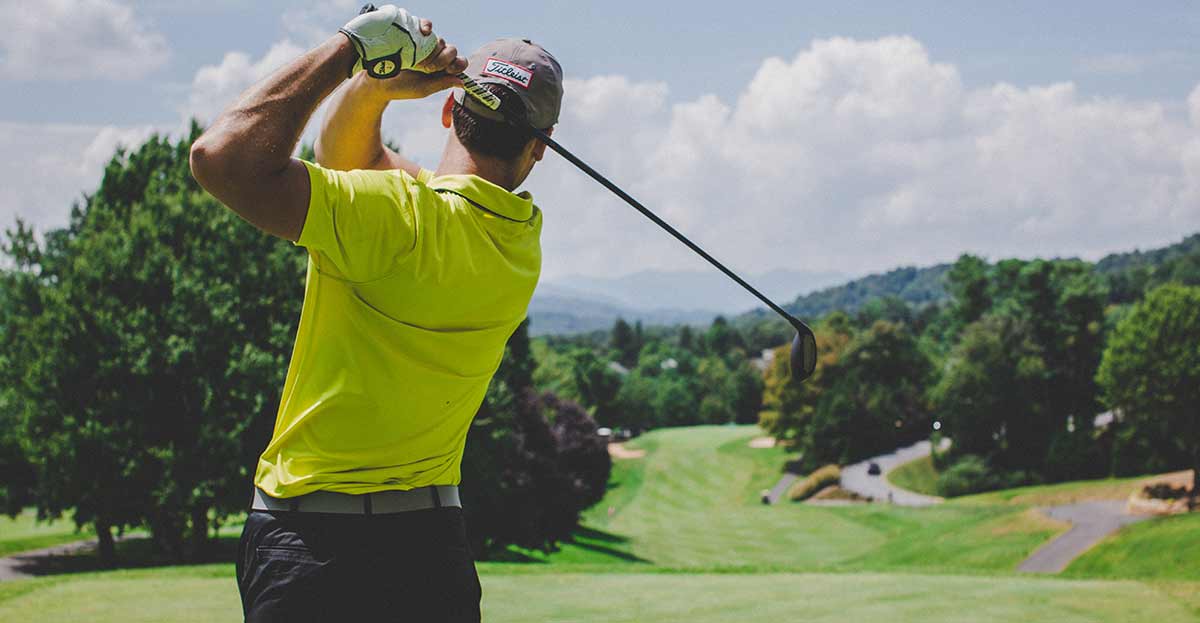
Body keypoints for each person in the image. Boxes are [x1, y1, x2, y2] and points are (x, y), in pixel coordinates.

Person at [189, 5, 563, 621]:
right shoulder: (519, 247)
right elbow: (354, 162)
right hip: (433, 553)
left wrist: (352, 51)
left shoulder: (391, 217)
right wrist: (370, 90)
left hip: (310, 548)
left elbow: (220, 156)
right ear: (540, 148)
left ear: (448, 109)